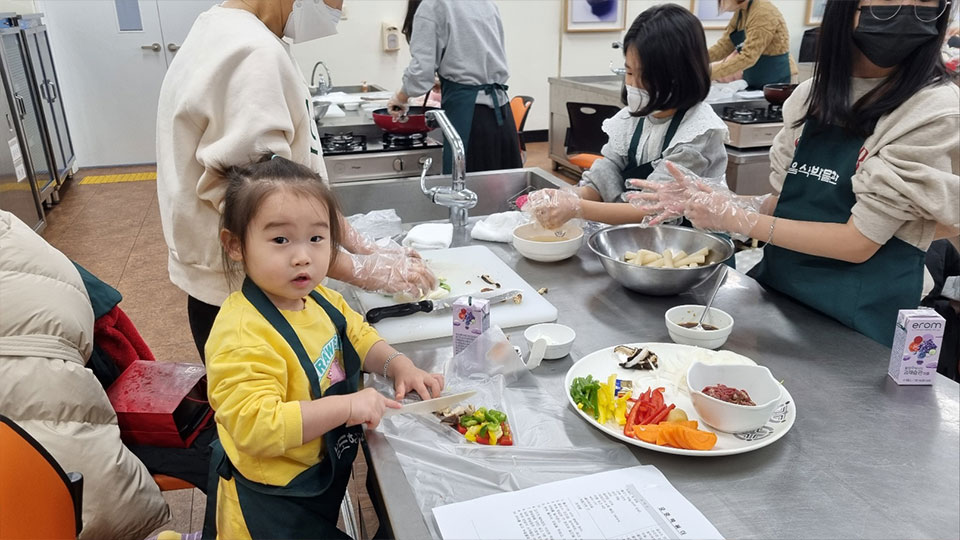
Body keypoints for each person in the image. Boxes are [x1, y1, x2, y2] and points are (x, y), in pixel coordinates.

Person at [633, 0, 960, 346]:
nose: (906, 9)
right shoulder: (808, 98)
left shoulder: (933, 110)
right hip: (780, 299)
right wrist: (727, 201)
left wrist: (736, 220)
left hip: (858, 327)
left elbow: (858, 242)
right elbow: (789, 205)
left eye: (924, 2)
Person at [156, 0, 436, 361]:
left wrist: (361, 244)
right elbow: (267, 206)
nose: (339, 7)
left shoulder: (222, 31)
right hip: (254, 301)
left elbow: (285, 184)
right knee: (272, 413)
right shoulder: (252, 54)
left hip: (235, 289)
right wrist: (361, 269)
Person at [201, 156, 444, 538]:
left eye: (316, 238)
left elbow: (359, 336)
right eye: (280, 239)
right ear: (235, 245)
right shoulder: (242, 333)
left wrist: (398, 365)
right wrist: (347, 406)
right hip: (268, 506)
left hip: (311, 482)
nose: (302, 256)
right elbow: (256, 427)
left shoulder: (321, 300)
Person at [523, 4, 728, 230]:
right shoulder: (634, 119)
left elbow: (653, 207)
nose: (631, 84)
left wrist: (577, 208)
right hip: (641, 239)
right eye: (629, 72)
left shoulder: (698, 131)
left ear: (678, 76)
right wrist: (569, 196)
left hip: (691, 246)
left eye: (644, 76)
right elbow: (605, 176)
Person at [387, 0, 523, 173]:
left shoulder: (433, 5)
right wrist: (448, 80)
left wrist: (400, 97)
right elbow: (475, 56)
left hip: (469, 118)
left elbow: (420, 73)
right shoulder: (486, 3)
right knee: (505, 191)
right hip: (502, 116)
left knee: (466, 193)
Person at [707, 0, 797, 88]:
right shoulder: (740, 12)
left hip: (779, 78)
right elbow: (724, 46)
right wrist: (697, 59)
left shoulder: (763, 12)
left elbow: (748, 57)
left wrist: (707, 73)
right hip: (755, 77)